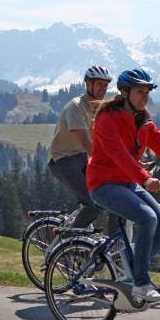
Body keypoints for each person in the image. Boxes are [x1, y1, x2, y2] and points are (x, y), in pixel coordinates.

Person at [87, 68, 160, 303]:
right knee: (147, 218)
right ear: (124, 92)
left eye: (147, 91)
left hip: (128, 182)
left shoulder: (144, 121)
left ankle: (131, 268)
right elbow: (119, 155)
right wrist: (145, 178)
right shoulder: (107, 119)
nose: (145, 96)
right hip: (104, 184)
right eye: (139, 91)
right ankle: (140, 283)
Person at [47, 65, 112, 229]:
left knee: (110, 195)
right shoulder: (76, 106)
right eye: (99, 84)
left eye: (105, 85)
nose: (102, 89)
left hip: (82, 158)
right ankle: (72, 244)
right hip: (63, 161)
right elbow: (86, 143)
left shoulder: (99, 107)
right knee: (93, 205)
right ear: (88, 84)